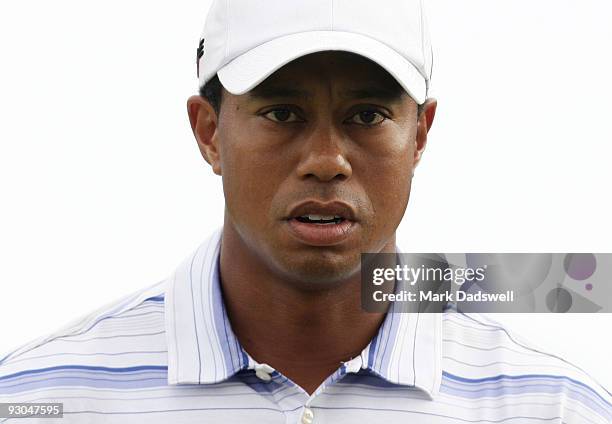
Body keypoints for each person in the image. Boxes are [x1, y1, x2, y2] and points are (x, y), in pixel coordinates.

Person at [1, 0, 610, 423]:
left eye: (367, 115)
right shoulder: (43, 399)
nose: (326, 160)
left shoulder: (553, 407)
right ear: (209, 131)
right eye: (283, 113)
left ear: (420, 136)